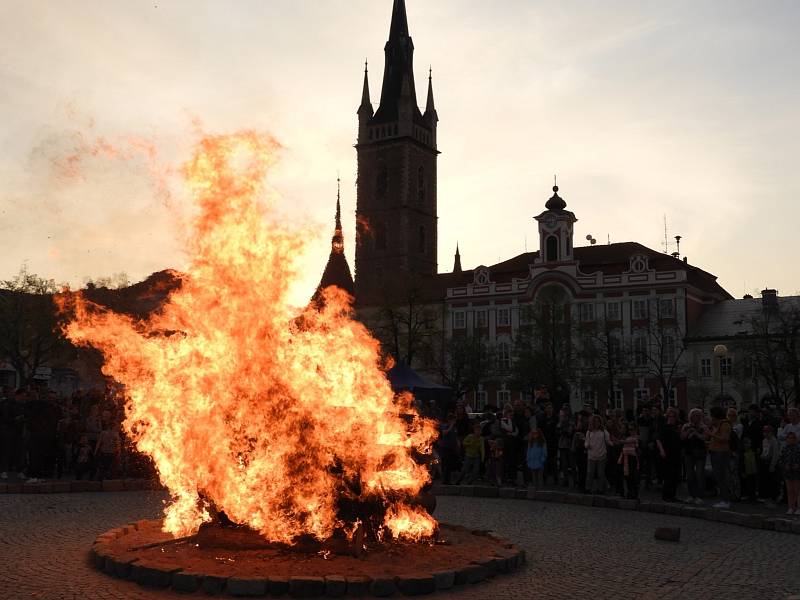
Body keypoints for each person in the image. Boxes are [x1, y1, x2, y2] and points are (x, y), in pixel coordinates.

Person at [680, 408, 708, 504]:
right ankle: (691, 495)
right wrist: (689, 431)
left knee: (700, 474)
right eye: (694, 415)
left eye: (698, 415)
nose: (696, 417)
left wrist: (696, 433)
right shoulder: (686, 426)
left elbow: (705, 437)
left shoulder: (703, 426)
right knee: (689, 475)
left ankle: (700, 496)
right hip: (689, 453)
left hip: (700, 453)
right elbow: (682, 437)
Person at [709, 406, 733, 509]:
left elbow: (724, 438)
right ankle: (724, 499)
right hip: (716, 451)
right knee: (719, 476)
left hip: (721, 452)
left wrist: (711, 434)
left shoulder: (724, 424)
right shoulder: (719, 425)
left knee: (721, 476)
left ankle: (726, 500)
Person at [656, 408, 682, 502]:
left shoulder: (676, 427)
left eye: (673, 416)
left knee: (675, 476)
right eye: (670, 416)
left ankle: (672, 496)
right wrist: (662, 450)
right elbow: (658, 439)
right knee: (668, 476)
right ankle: (666, 496)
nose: (671, 418)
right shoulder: (664, 427)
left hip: (676, 454)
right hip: (667, 454)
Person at [584, 415, 610, 494]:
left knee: (600, 473)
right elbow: (586, 442)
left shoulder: (604, 432)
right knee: (590, 473)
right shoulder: (589, 432)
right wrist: (586, 445)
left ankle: (601, 489)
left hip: (601, 455)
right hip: (591, 455)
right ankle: (588, 488)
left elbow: (608, 441)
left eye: (598, 421)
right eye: (595, 421)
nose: (596, 423)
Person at [779, 431, 800, 515]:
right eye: (789, 438)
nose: (790, 439)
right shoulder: (785, 448)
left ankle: (798, 507)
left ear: (795, 439)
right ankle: (791, 507)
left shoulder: (798, 448)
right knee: (790, 491)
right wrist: (784, 466)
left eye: (792, 438)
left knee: (797, 490)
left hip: (797, 473)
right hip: (787, 473)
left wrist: (798, 465)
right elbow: (781, 460)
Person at [759, 425, 780, 508]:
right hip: (764, 462)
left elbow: (775, 454)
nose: (766, 434)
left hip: (770, 462)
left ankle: (773, 500)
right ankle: (766, 499)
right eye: (765, 432)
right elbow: (764, 451)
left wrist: (772, 465)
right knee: (765, 482)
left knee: (772, 483)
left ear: (771, 432)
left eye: (768, 432)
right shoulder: (764, 440)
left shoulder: (774, 441)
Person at [618, 421, 640, 500]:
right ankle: (630, 493)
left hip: (632, 458)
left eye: (632, 429)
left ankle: (634, 494)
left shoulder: (635, 437)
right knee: (627, 477)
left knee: (633, 477)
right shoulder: (626, 437)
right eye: (629, 429)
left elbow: (633, 442)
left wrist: (621, 441)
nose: (631, 431)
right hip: (625, 458)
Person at [499, 408, 519, 484]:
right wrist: (511, 433)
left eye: (512, 414)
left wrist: (512, 434)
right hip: (505, 443)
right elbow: (509, 429)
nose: (511, 416)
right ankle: (504, 477)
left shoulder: (513, 421)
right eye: (509, 414)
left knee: (512, 461)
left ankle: (512, 477)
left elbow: (516, 431)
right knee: (504, 461)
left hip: (512, 444)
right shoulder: (502, 421)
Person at [556, 408, 574, 486]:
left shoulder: (570, 422)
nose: (561, 416)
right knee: (564, 464)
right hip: (562, 445)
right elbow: (557, 433)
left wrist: (562, 429)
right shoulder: (559, 423)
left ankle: (575, 480)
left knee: (572, 464)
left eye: (562, 415)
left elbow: (569, 433)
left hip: (569, 446)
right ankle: (565, 480)